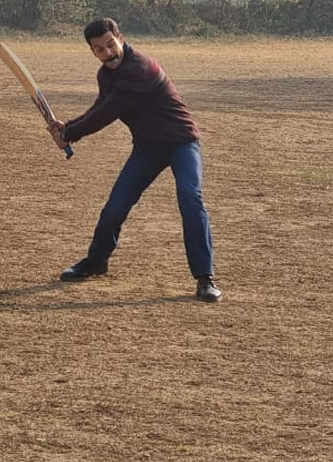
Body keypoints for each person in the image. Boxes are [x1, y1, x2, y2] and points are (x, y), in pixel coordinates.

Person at [47, 18, 222, 303]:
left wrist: (70, 134)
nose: (108, 53)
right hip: (147, 149)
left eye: (110, 45)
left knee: (190, 198)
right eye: (99, 49)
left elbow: (109, 112)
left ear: (120, 38)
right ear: (92, 51)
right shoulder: (105, 75)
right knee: (116, 205)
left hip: (181, 142)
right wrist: (67, 127)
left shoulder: (140, 69)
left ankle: (205, 278)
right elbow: (99, 106)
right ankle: (96, 262)